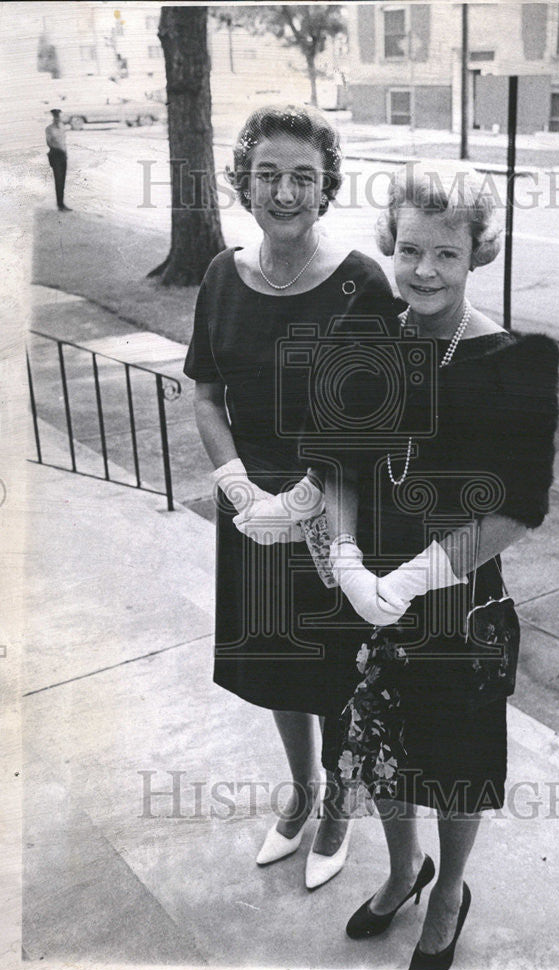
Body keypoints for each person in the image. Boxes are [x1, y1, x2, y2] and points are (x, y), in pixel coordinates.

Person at [322, 162, 559, 970]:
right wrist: (349, 557)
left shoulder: (511, 361)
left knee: (456, 764)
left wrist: (412, 579)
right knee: (385, 750)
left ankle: (449, 888)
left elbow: (516, 508)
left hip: (457, 604)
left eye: (446, 255)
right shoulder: (368, 340)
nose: (424, 271)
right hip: (366, 597)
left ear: (475, 256)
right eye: (411, 249)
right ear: (391, 245)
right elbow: (343, 468)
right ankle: (401, 871)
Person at [183, 105, 400, 888]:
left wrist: (307, 495)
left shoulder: (358, 283)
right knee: (277, 665)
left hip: (335, 506)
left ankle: (341, 803)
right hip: (252, 510)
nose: (283, 191)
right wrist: (235, 482)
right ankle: (304, 789)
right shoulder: (219, 275)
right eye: (268, 173)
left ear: (326, 188)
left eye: (302, 177)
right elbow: (207, 393)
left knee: (337, 669)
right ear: (244, 182)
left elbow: (376, 416)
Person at [45, 109, 72, 212]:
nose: (57, 119)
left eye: (58, 117)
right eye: (55, 117)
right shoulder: (49, 129)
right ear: (53, 118)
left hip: (63, 156)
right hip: (55, 154)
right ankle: (60, 205)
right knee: (58, 180)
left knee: (62, 181)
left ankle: (62, 203)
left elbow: (64, 142)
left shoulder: (62, 128)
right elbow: (49, 143)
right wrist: (59, 149)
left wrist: (65, 153)